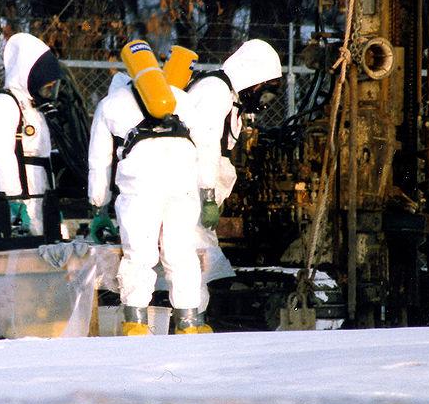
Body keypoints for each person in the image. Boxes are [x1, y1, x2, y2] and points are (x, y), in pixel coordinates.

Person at [88, 70, 205, 335]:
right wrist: (208, 190)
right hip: (183, 181)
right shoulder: (180, 98)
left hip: (140, 185)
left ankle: (136, 323)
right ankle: (188, 324)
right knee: (182, 252)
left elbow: (99, 161)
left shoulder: (110, 103)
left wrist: (99, 205)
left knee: (139, 255)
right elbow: (205, 142)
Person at [184, 39, 283, 323]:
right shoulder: (215, 92)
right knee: (200, 258)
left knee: (201, 258)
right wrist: (208, 197)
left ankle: (196, 319)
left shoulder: (228, 96)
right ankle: (194, 321)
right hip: (192, 194)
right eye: (264, 90)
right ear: (253, 78)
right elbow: (204, 147)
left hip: (199, 195)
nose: (263, 100)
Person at [0, 32, 62, 241]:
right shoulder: (2, 105)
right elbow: (2, 158)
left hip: (36, 198)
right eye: (45, 85)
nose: (48, 92)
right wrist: (14, 200)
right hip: (15, 205)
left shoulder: (33, 109)